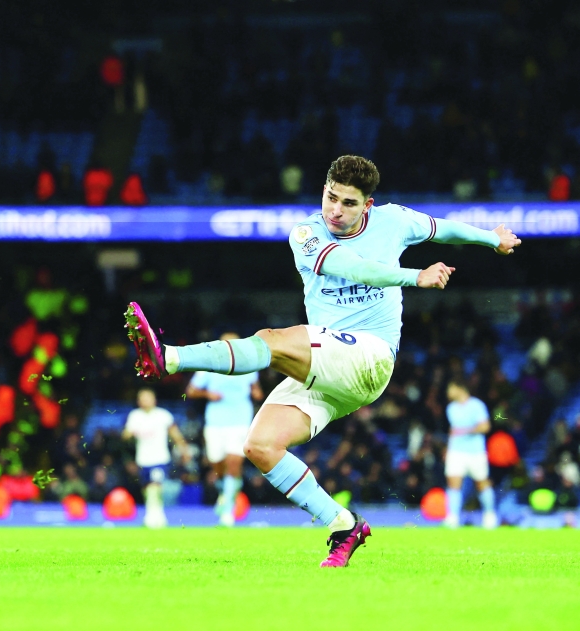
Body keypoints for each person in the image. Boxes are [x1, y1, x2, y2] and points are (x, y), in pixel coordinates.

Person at [124, 155, 521, 566]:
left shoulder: (395, 221)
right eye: (331, 197)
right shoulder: (306, 234)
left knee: (273, 340)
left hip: (371, 356)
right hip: (328, 368)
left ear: (367, 205)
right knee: (260, 445)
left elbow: (443, 229)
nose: (336, 209)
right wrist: (413, 275)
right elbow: (357, 268)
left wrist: (492, 239)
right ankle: (342, 523)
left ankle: (169, 358)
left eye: (349, 203)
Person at [185, 331, 263, 527]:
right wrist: (208, 394)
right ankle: (224, 493)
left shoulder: (248, 366)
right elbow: (191, 391)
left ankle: (227, 511)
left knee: (234, 463)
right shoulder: (209, 366)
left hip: (240, 421)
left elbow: (256, 390)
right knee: (217, 465)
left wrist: (257, 393)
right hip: (215, 422)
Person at [121, 387, 189, 529]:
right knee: (147, 489)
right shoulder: (135, 416)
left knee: (155, 486)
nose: (145, 401)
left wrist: (184, 450)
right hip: (143, 459)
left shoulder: (163, 415)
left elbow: (175, 434)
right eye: (142, 398)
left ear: (154, 400)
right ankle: (157, 514)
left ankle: (152, 517)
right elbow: (126, 435)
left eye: (148, 397)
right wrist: (128, 433)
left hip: (159, 458)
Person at [444, 379, 498, 529]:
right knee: (453, 483)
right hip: (456, 451)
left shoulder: (477, 405)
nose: (448, 392)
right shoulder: (451, 408)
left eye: (451, 388)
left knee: (481, 483)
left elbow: (485, 426)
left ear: (460, 388)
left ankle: (490, 515)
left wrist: (465, 431)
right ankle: (452, 518)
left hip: (475, 452)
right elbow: (453, 431)